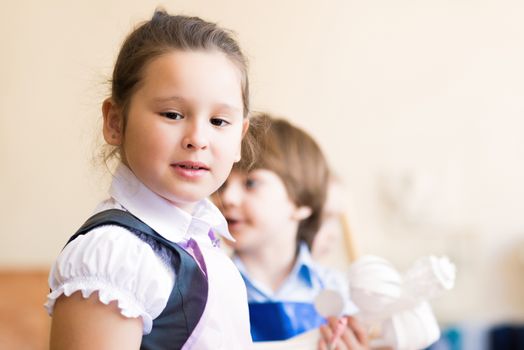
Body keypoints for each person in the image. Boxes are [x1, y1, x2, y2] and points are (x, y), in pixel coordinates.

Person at [46, 9, 256, 349]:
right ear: (115, 122)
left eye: (219, 121)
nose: (198, 138)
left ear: (240, 138)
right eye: (172, 114)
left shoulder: (203, 238)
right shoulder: (117, 254)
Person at [214, 113, 369, 349]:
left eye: (250, 183)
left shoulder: (338, 291)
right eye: (223, 183)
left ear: (300, 202)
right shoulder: (208, 285)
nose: (228, 197)